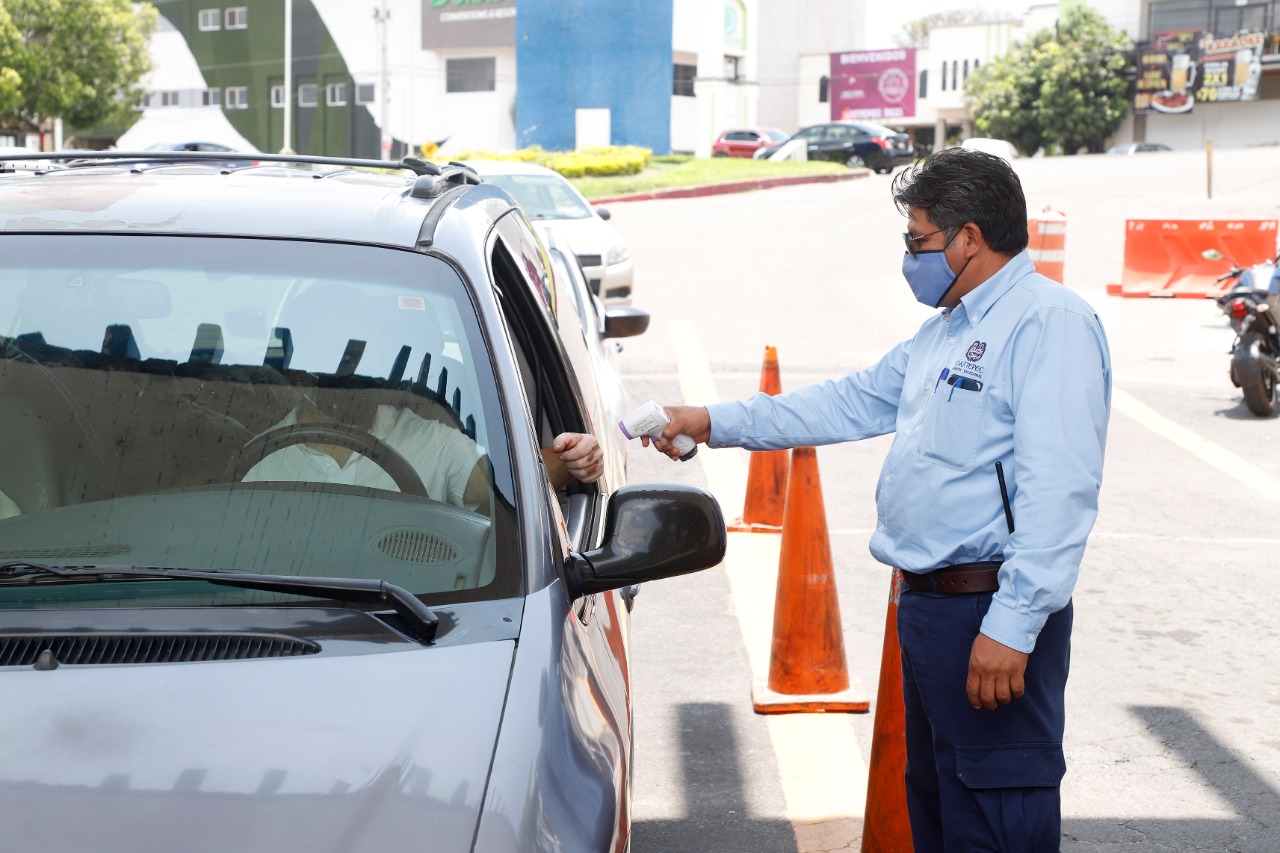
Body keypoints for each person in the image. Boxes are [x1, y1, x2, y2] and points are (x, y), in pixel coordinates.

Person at [648, 148, 1110, 851]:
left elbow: (1061, 492)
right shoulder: (946, 332)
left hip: (986, 614)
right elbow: (849, 402)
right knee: (938, 807)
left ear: (969, 238)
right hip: (929, 610)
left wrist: (1012, 626)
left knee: (995, 817)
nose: (909, 257)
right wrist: (711, 421)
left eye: (917, 241)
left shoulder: (1049, 324)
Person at [243, 395, 603, 512]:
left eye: (362, 357)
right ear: (302, 375)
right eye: (338, 362)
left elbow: (503, 484)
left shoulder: (432, 440)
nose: (352, 374)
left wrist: (575, 457)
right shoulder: (256, 460)